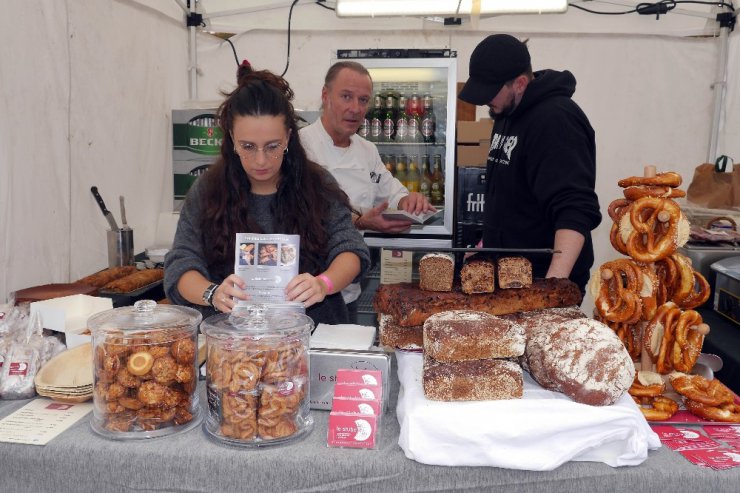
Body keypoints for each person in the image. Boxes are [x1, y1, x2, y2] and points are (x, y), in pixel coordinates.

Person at [164, 64, 371, 325]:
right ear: (231, 138)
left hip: (313, 336)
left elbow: (351, 250)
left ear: (288, 137)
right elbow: (181, 262)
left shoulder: (317, 185)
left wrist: (323, 284)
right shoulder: (208, 190)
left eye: (272, 146)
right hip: (230, 343)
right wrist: (212, 293)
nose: (260, 160)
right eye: (248, 146)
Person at [458, 34, 601, 293]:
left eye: (490, 92)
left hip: (542, 277)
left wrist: (552, 286)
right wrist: (485, 246)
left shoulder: (557, 120)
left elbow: (575, 208)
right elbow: (507, 193)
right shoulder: (506, 111)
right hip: (508, 274)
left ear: (520, 83)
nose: (485, 101)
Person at [300, 61, 435, 320]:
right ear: (325, 96)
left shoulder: (367, 150)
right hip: (308, 290)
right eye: (346, 97)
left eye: (363, 100)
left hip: (349, 289)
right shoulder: (301, 146)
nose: (355, 109)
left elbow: (391, 191)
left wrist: (409, 200)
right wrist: (361, 221)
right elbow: (308, 213)